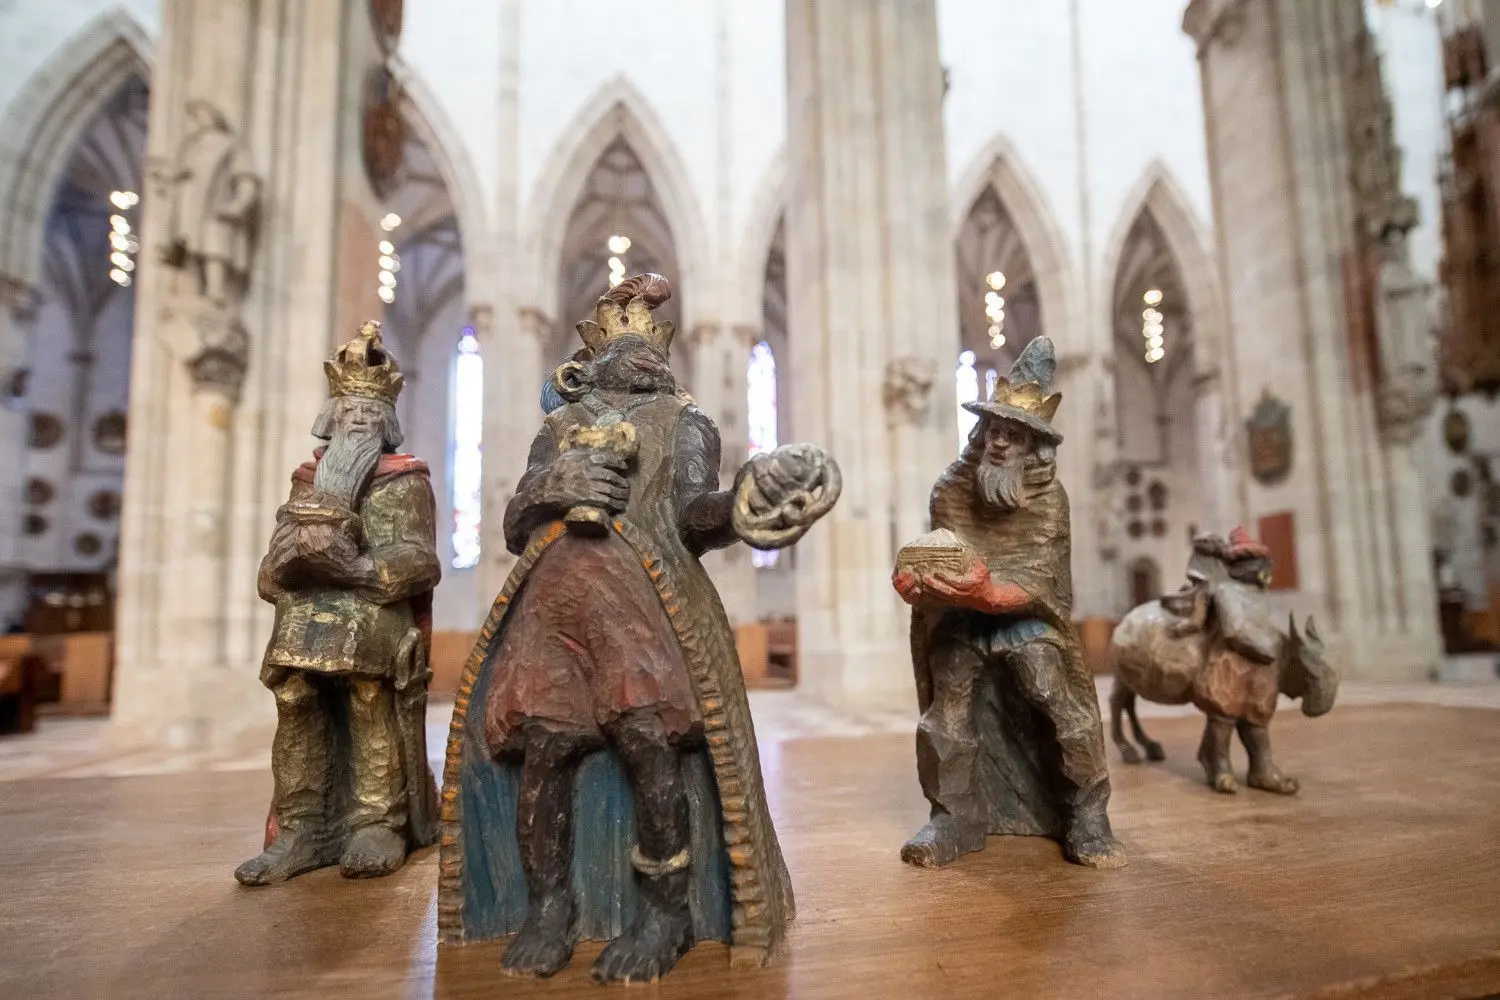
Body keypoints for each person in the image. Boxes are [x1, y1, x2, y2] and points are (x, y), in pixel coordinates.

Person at [446, 273, 839, 983]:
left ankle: (665, 912)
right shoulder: (559, 426)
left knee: (648, 744)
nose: (641, 352)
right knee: (543, 752)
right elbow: (513, 521)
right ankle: (549, 909)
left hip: (640, 601)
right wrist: (553, 486)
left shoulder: (686, 423)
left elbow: (693, 513)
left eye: (650, 341)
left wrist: (742, 502)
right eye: (624, 339)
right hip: (556, 605)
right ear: (594, 356)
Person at [894, 336, 1126, 870]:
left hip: (1028, 620)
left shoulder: (1048, 500)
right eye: (994, 430)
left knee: (1048, 684)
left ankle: (1086, 813)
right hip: (962, 621)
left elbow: (1047, 582)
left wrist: (993, 593)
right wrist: (920, 587)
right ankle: (954, 817)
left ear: (1033, 447)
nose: (1000, 444)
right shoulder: (951, 490)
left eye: (1014, 435)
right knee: (948, 699)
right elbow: (941, 556)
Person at [235, 321, 440, 887]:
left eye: (370, 415)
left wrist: (359, 570)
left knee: (367, 694)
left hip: (373, 611)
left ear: (388, 425)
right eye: (349, 414)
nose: (358, 423)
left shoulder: (404, 481)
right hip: (304, 614)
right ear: (329, 418)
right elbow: (275, 564)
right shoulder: (308, 479)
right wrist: (280, 567)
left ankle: (377, 822)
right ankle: (304, 828)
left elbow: (420, 560)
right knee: (296, 699)